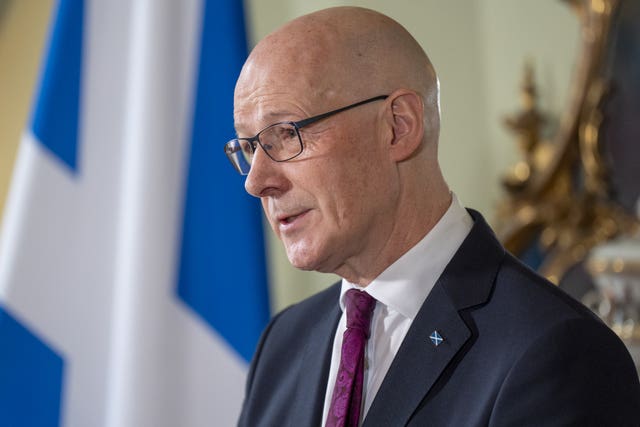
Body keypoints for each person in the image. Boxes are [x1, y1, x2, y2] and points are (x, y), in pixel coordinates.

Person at [225, 6, 640, 426]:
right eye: (248, 147)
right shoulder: (283, 344)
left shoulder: (556, 352)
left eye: (286, 134)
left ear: (398, 127)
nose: (256, 181)